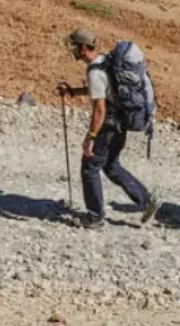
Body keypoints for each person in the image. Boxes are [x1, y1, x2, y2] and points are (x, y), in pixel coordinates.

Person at [57, 28, 161, 229]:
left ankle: (95, 217)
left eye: (73, 46)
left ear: (82, 48)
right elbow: (102, 90)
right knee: (111, 166)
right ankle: (146, 200)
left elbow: (99, 109)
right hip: (120, 125)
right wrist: (73, 91)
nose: (72, 51)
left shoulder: (94, 71)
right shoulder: (106, 62)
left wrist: (91, 137)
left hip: (107, 127)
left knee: (89, 167)